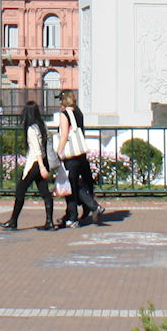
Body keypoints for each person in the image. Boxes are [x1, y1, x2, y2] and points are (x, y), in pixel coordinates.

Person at [0, 102, 59, 231]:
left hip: (35, 163)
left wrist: (41, 166)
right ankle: (49, 222)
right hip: (43, 161)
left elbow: (36, 149)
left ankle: (13, 221)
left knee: (20, 190)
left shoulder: (31, 129)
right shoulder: (42, 126)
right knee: (44, 192)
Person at [54, 90, 102, 228]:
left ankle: (76, 216)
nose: (59, 103)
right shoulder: (78, 112)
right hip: (80, 153)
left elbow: (64, 136)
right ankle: (80, 211)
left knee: (70, 186)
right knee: (77, 184)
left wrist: (59, 151)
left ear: (64, 101)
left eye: (60, 99)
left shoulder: (65, 115)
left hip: (70, 154)